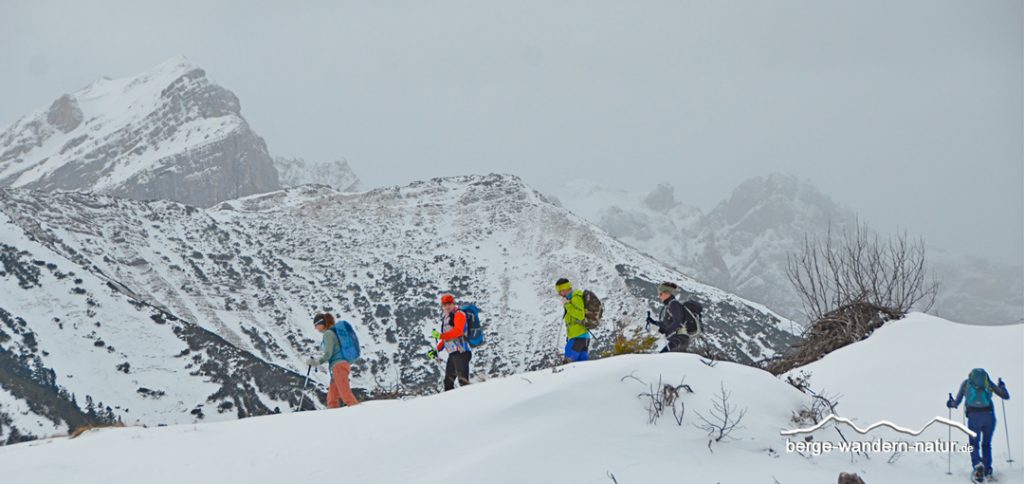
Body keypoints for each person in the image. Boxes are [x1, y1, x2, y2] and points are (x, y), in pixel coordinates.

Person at [947, 368, 1010, 481]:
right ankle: (987, 470)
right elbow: (1005, 396)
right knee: (986, 444)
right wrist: (1002, 386)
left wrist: (950, 403)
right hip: (989, 417)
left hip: (974, 417)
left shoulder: (966, 384)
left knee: (974, 444)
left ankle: (977, 466)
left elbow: (956, 403)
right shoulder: (988, 383)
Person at [306, 313, 359, 408]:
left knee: (345, 394)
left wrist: (316, 362)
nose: (315, 328)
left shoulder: (328, 334)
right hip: (338, 366)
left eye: (316, 325)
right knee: (331, 398)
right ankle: (334, 419)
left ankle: (360, 415)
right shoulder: (332, 333)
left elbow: (328, 354)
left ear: (321, 323)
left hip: (339, 366)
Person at [428, 294, 472, 391]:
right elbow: (447, 338)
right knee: (448, 383)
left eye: (449, 304)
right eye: (444, 305)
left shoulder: (459, 314)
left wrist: (440, 336)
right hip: (453, 354)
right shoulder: (447, 317)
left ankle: (470, 403)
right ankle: (451, 404)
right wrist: (436, 350)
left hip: (462, 352)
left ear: (453, 303)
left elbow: (458, 332)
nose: (447, 306)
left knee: (463, 381)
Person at [645, 282, 691, 353]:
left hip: (680, 339)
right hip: (677, 339)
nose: (659, 296)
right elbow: (666, 324)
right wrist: (653, 322)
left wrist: (666, 331)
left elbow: (677, 322)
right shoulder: (669, 306)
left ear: (667, 293)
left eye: (661, 294)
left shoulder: (674, 304)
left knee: (661, 358)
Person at [555, 278, 590, 362]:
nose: (560, 294)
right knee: (582, 366)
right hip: (582, 337)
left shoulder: (576, 298)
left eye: (560, 291)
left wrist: (567, 305)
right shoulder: (572, 298)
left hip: (577, 337)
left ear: (564, 289)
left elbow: (580, 315)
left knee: (568, 364)